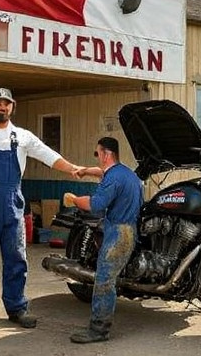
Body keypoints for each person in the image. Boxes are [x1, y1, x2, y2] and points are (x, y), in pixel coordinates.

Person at [0, 87, 83, 330]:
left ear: (13, 106)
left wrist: (73, 169)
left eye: (6, 103)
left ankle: (17, 308)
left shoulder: (22, 136)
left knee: (16, 258)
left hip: (13, 204)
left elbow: (48, 156)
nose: (2, 107)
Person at [63, 137, 143, 344]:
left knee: (104, 279)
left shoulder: (113, 178)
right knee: (108, 278)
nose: (97, 158)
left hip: (118, 233)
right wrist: (85, 171)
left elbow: (96, 205)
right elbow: (103, 173)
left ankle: (99, 330)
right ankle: (100, 327)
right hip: (130, 229)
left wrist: (74, 199)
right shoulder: (127, 174)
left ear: (106, 154)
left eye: (98, 154)